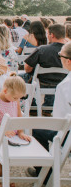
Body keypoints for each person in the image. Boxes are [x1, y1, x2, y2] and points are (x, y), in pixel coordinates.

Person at [25, 41, 71, 179]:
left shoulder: (66, 85)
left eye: (59, 55)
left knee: (38, 131)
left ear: (68, 61)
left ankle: (44, 175)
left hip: (67, 133)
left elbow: (59, 118)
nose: (59, 58)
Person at [0, 74, 31, 184]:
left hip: (10, 132)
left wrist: (20, 131)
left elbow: (19, 116)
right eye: (15, 98)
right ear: (5, 91)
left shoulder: (15, 99)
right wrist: (3, 130)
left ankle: (3, 177)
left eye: (19, 98)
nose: (17, 100)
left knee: (5, 155)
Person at [22, 24, 67, 110]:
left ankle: (32, 105)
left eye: (48, 34)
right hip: (63, 82)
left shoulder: (42, 49)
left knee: (22, 77)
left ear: (52, 35)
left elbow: (27, 69)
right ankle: (48, 107)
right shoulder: (68, 50)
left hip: (42, 83)